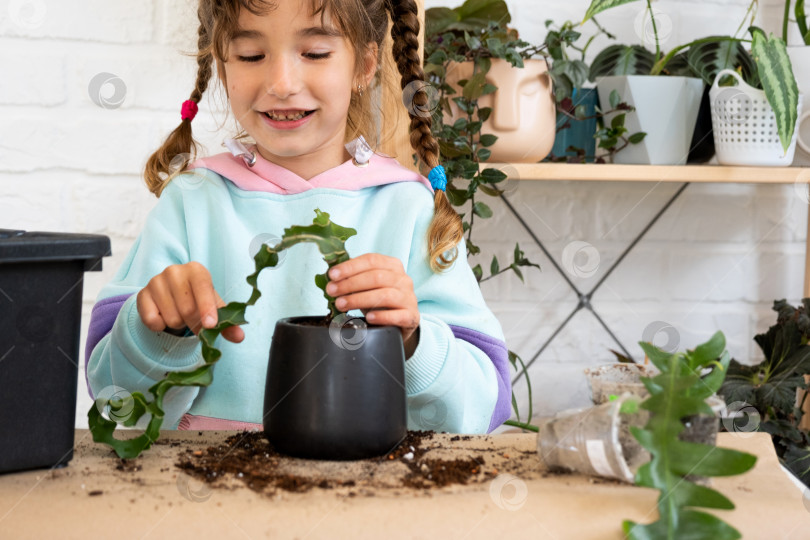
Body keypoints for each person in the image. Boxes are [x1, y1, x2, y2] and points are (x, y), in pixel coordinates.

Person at [85, 0, 511, 434]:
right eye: (252, 56)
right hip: (209, 494)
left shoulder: (408, 209)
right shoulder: (191, 201)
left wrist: (413, 342)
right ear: (223, 65)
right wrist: (161, 334)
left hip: (366, 495)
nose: (282, 83)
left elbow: (480, 409)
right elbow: (115, 401)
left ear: (364, 65)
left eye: (314, 53)